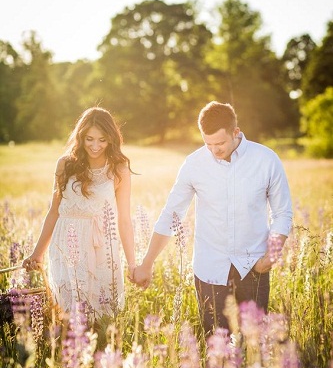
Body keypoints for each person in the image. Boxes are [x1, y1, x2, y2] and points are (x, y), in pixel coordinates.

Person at [133, 101, 293, 336]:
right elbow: (171, 215)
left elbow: (282, 213)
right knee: (216, 346)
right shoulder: (194, 164)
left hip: (254, 268)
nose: (215, 150)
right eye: (208, 144)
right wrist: (147, 263)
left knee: (256, 343)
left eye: (220, 143)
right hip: (210, 269)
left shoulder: (266, 160)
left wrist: (271, 255)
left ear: (235, 132)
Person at [23, 106, 136, 318]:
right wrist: (37, 253)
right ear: (80, 137)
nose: (95, 146)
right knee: (69, 313)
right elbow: (54, 212)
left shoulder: (119, 168)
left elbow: (124, 219)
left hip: (101, 246)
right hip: (66, 243)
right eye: (89, 139)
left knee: (101, 316)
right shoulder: (65, 164)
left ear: (111, 138)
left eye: (102, 140)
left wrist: (132, 263)